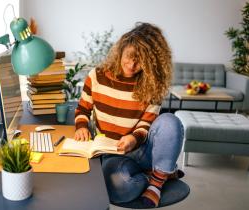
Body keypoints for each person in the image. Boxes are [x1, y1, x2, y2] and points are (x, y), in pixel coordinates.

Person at [74, 22, 184, 207]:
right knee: (120, 186)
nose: (132, 65)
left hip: (143, 149)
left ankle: (156, 184)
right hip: (112, 152)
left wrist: (134, 138)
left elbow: (147, 123)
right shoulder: (97, 76)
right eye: (129, 57)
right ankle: (161, 173)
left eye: (140, 61)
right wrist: (82, 126)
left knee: (170, 121)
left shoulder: (152, 85)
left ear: (151, 62)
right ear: (121, 51)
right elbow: (83, 109)